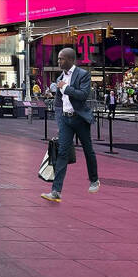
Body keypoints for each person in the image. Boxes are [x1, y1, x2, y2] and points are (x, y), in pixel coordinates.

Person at [41, 48, 99, 203]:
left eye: (61, 59)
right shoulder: (61, 76)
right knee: (62, 153)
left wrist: (65, 87)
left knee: (88, 150)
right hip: (66, 120)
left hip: (80, 119)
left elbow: (83, 95)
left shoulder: (83, 74)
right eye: (58, 59)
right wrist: (60, 119)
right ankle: (56, 191)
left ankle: (94, 180)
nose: (59, 61)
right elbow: (59, 101)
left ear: (70, 59)